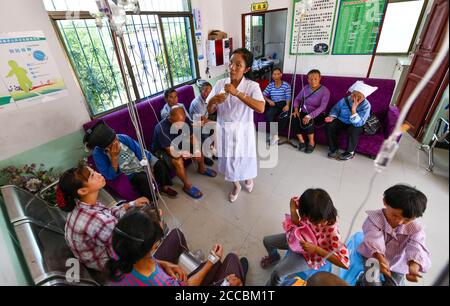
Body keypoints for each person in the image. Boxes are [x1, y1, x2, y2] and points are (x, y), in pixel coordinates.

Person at [108, 208, 248, 286]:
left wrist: (163, 264)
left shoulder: (119, 248)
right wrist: (212, 260)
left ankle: (201, 265)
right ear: (154, 247)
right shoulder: (160, 282)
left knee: (176, 235)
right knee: (232, 262)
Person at [56, 165, 150, 271]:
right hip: (104, 263)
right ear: (83, 191)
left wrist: (131, 204)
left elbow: (108, 212)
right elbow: (120, 248)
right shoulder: (97, 220)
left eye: (94, 171)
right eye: (92, 175)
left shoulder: (80, 204)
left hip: (92, 254)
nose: (99, 174)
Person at [206, 48, 265, 203]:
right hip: (224, 131)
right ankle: (236, 185)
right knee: (228, 162)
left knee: (245, 159)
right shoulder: (219, 84)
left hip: (243, 132)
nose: (232, 67)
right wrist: (213, 101)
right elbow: (209, 109)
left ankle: (247, 180)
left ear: (247, 69)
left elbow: (260, 107)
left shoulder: (252, 86)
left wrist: (237, 93)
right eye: (231, 63)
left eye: (238, 65)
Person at [261, 189, 350, 286]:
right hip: (296, 238)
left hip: (308, 256)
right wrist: (293, 211)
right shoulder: (309, 205)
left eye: (315, 222)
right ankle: (274, 256)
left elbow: (345, 263)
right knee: (267, 241)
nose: (312, 223)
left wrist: (316, 249)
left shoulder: (333, 234)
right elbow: (294, 201)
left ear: (325, 215)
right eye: (308, 219)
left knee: (278, 272)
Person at [357, 184, 431, 286]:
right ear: (385, 202)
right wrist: (380, 260)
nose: (400, 222)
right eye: (395, 215)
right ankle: (361, 281)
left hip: (398, 263)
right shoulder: (374, 219)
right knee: (372, 282)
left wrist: (413, 267)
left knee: (393, 284)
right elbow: (373, 241)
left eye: (407, 220)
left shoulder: (416, 229)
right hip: (374, 255)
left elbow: (416, 247)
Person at [84, 121, 178, 199]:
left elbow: (139, 150)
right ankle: (151, 199)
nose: (116, 142)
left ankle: (164, 187)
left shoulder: (122, 138)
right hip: (129, 171)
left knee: (160, 165)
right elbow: (109, 175)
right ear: (105, 147)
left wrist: (146, 165)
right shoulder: (98, 154)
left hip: (141, 160)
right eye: (112, 143)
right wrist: (114, 158)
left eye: (115, 139)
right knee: (143, 180)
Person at [152, 106, 217, 199]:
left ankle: (202, 169)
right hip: (163, 150)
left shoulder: (184, 120)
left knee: (198, 144)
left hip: (177, 143)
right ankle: (187, 186)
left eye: (183, 122)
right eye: (178, 123)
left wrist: (196, 150)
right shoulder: (161, 128)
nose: (182, 125)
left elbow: (191, 136)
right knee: (178, 161)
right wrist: (183, 154)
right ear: (170, 117)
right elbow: (171, 151)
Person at [325, 81, 376, 161]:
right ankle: (334, 149)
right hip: (342, 120)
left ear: (363, 97)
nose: (353, 97)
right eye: (353, 94)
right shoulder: (345, 99)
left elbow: (359, 123)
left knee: (354, 129)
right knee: (330, 125)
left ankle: (350, 152)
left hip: (356, 124)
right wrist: (332, 117)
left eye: (357, 96)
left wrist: (353, 110)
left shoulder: (366, 105)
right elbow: (335, 109)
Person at [292, 69, 330, 154]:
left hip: (318, 113)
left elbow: (322, 107)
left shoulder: (325, 91)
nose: (313, 81)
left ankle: (311, 142)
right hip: (304, 111)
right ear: (308, 79)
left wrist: (309, 116)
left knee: (309, 121)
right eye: (310, 79)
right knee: (294, 117)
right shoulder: (305, 88)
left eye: (315, 79)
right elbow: (297, 99)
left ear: (320, 78)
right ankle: (301, 141)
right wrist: (295, 109)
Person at [262, 68, 292, 146]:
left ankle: (275, 135)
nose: (276, 76)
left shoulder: (286, 85)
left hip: (283, 103)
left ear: (281, 75)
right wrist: (269, 101)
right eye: (274, 74)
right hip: (274, 104)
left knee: (284, 116)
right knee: (268, 114)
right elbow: (263, 94)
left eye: (278, 74)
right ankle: (274, 135)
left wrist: (287, 105)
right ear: (272, 76)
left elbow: (288, 96)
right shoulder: (271, 85)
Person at [189, 82, 217, 162]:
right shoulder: (196, 103)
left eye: (209, 91)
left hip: (205, 120)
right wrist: (216, 124)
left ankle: (214, 150)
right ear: (200, 91)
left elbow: (210, 112)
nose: (207, 93)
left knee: (218, 125)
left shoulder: (208, 99)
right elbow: (203, 120)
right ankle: (206, 156)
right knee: (206, 131)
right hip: (196, 125)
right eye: (205, 91)